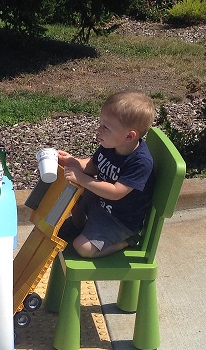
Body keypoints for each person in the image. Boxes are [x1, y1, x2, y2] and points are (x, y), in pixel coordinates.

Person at [58, 90, 156, 258]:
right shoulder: (111, 144)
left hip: (119, 220)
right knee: (70, 192)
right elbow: (94, 165)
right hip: (100, 203)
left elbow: (116, 193)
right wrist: (75, 162)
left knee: (82, 247)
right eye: (100, 124)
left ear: (129, 136)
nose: (99, 130)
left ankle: (128, 240)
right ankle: (78, 225)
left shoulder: (140, 162)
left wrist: (82, 178)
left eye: (106, 127)